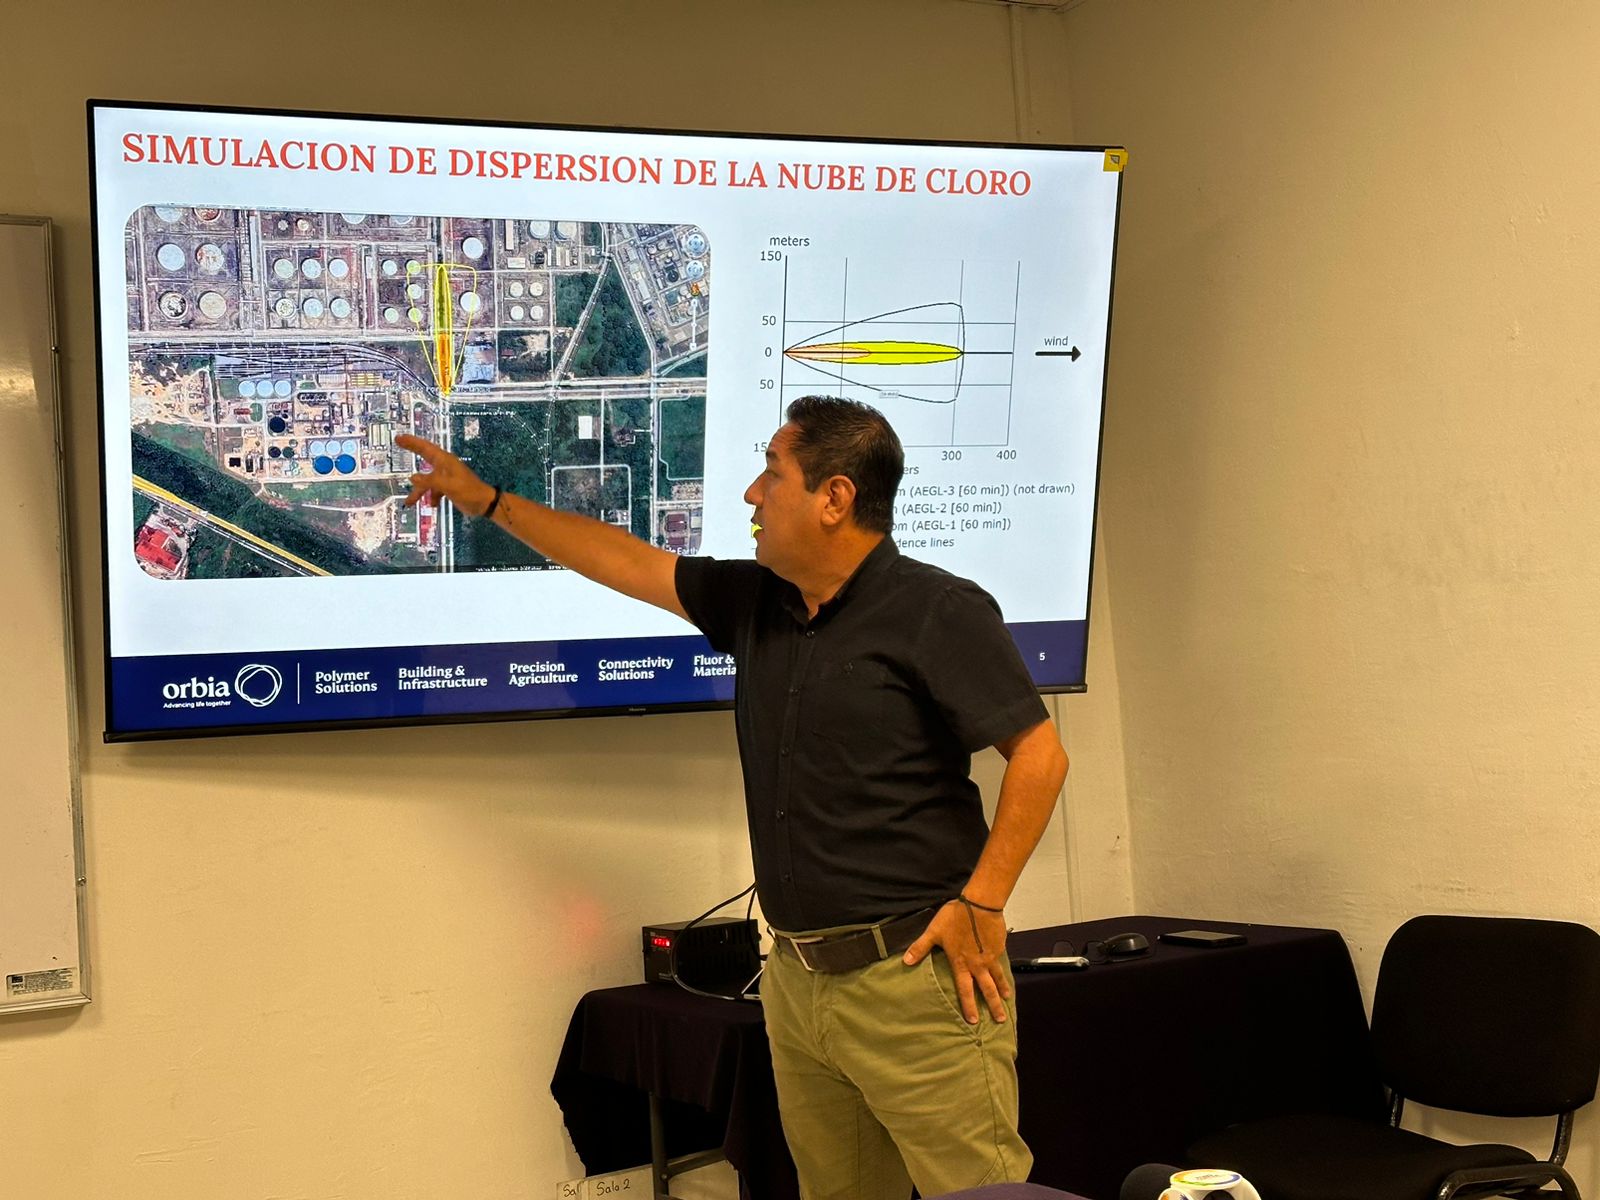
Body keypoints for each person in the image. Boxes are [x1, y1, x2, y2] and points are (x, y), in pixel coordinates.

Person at [396, 395, 1069, 1198]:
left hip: (913, 980)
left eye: (772, 474)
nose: (753, 493)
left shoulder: (937, 610)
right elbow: (621, 560)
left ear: (835, 498)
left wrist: (983, 901)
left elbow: (1040, 754)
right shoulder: (757, 601)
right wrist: (488, 502)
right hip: (798, 983)